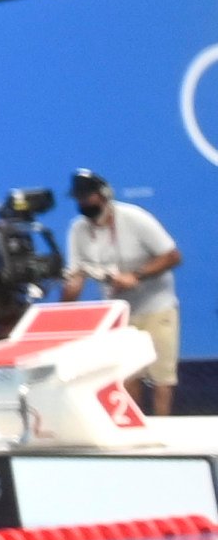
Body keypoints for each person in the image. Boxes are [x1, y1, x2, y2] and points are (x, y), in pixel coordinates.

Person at [62, 167, 181, 416]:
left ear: (104, 194)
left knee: (161, 377)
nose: (84, 203)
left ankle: (165, 433)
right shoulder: (78, 229)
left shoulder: (134, 218)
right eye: (79, 199)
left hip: (156, 307)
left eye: (88, 197)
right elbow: (76, 277)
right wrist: (65, 308)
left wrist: (136, 276)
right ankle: (134, 430)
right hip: (119, 312)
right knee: (127, 375)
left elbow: (172, 256)